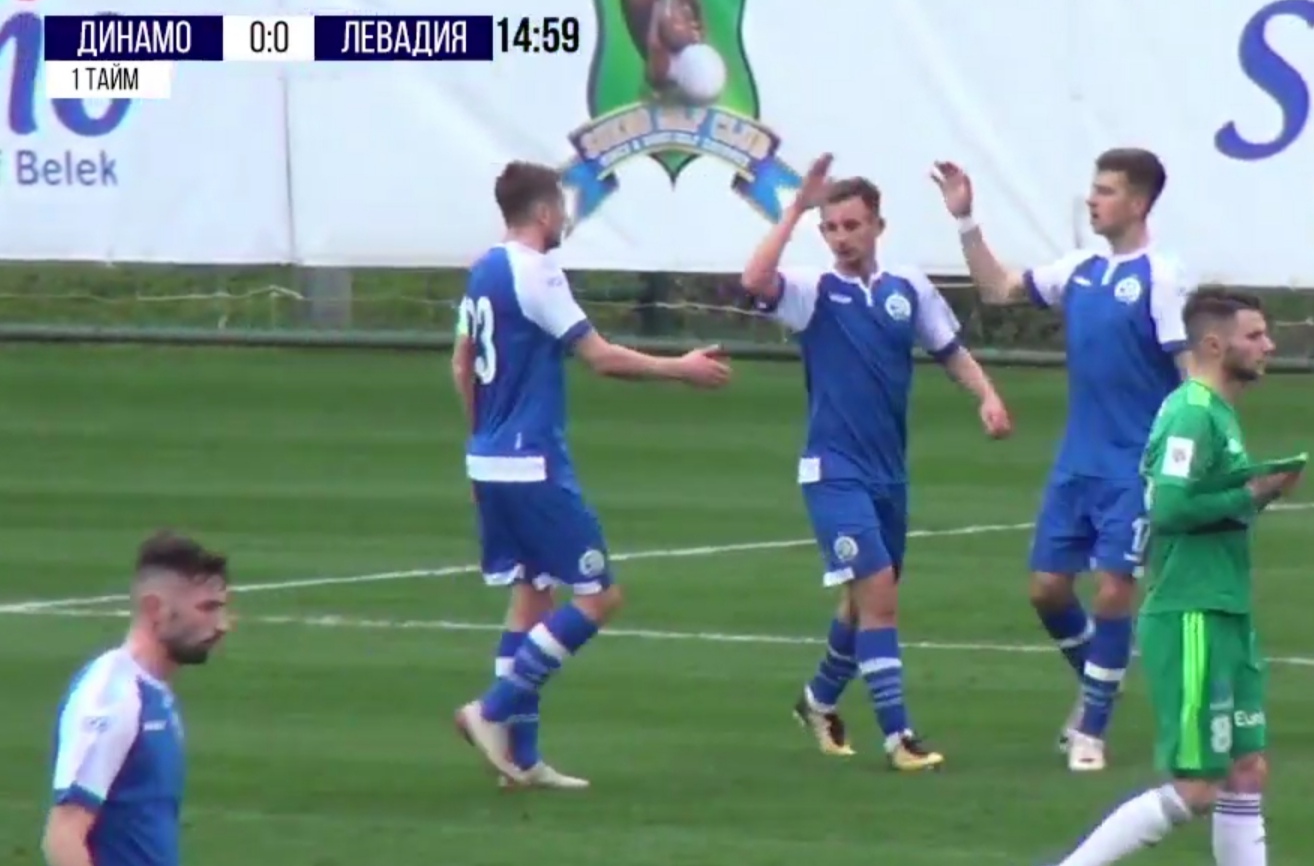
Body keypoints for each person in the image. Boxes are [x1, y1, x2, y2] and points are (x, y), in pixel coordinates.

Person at [1024, 288, 1314, 866]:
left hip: (1224, 609)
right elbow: (1167, 507)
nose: (1268, 346)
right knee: (1198, 785)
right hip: (1189, 616)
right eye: (1255, 335)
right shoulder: (1191, 413)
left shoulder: (1218, 413)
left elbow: (1204, 503)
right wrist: (1254, 492)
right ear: (1216, 345)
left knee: (1246, 769)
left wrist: (1257, 487)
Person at [452, 160, 732, 788]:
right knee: (598, 596)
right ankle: (491, 711)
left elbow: (461, 363)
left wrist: (479, 443)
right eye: (562, 207)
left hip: (490, 458)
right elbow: (600, 357)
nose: (566, 219)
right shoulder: (538, 272)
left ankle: (520, 760)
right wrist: (681, 369)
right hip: (531, 461)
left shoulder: (483, 271)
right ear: (543, 211)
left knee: (531, 598)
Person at [742, 153, 1012, 772]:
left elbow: (950, 350)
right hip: (833, 471)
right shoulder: (813, 292)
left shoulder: (906, 288)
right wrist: (795, 209)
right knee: (881, 596)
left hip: (888, 473)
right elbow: (755, 280)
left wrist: (988, 396)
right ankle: (899, 738)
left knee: (861, 602)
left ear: (877, 227)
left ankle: (817, 701)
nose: (841, 238)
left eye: (852, 225)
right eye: (831, 228)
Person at [931, 148, 1191, 771]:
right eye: (1093, 188)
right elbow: (997, 289)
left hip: (1136, 465)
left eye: (1106, 190)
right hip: (1078, 462)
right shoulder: (1079, 270)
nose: (1093, 200)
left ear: (1138, 202)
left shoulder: (1163, 277)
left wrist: (1185, 458)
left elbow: (1189, 376)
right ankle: (1102, 677)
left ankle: (1091, 730)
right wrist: (965, 220)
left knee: (1114, 589)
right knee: (1047, 590)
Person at [43, 531, 233, 866]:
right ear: (155, 609)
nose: (224, 624)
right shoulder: (112, 697)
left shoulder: (155, 694)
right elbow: (63, 837)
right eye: (207, 608)